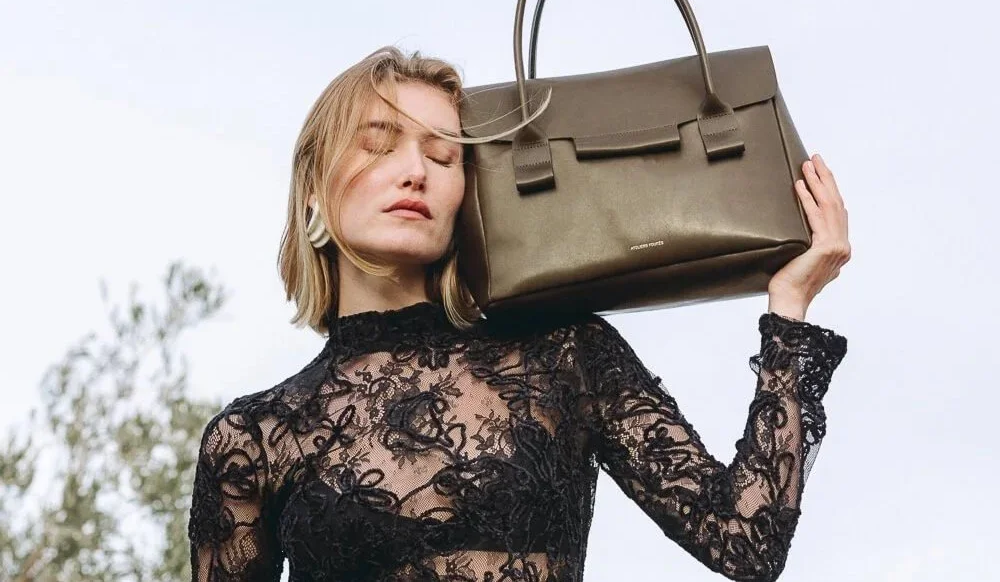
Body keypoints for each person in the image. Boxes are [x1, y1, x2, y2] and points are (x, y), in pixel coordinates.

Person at [186, 46, 850, 582]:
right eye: (380, 144)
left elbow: (745, 544)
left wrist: (789, 310)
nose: (415, 171)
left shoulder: (565, 356)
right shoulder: (252, 438)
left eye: (443, 155)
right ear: (312, 186)